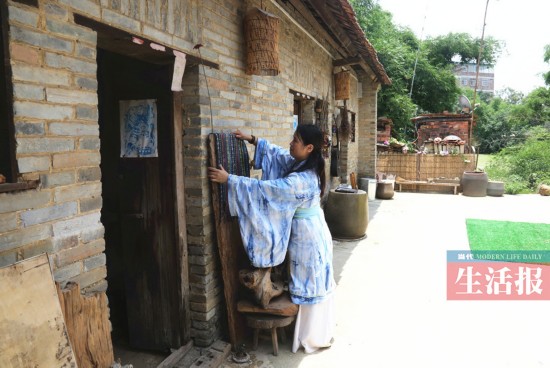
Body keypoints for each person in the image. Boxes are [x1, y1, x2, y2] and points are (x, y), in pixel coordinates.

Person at [208, 124, 336, 354]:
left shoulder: (302, 179)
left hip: (309, 238)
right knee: (310, 281)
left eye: (295, 140)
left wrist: (230, 180)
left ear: (308, 147)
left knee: (311, 284)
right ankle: (312, 332)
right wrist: (255, 140)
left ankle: (311, 336)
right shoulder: (305, 163)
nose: (290, 143)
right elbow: (279, 153)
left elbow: (268, 189)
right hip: (310, 231)